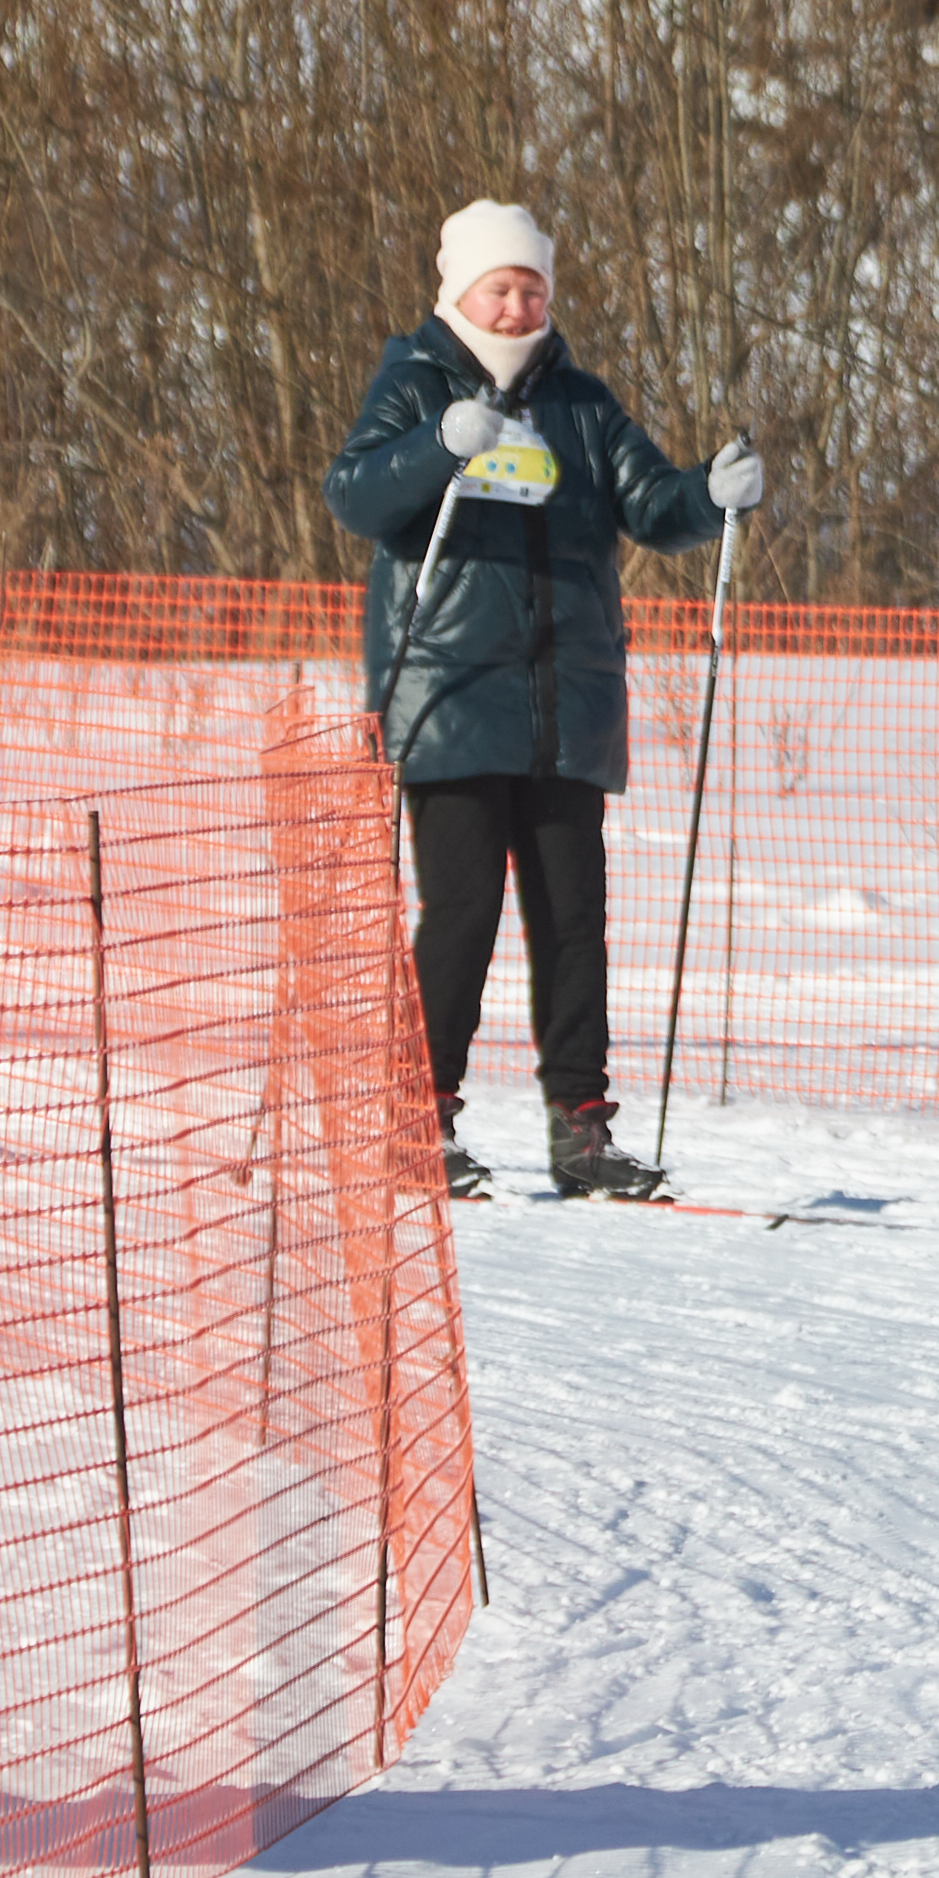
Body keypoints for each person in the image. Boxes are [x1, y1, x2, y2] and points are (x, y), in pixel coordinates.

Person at [324, 200, 765, 1201]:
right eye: (501, 288)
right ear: (460, 294)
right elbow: (356, 494)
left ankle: (584, 1129)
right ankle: (416, 1121)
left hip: (566, 706)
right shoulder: (415, 380)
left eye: (534, 289)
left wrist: (713, 492)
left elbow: (651, 504)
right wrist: (440, 442)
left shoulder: (580, 402)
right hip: (452, 699)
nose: (519, 305)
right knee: (464, 911)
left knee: (573, 918)